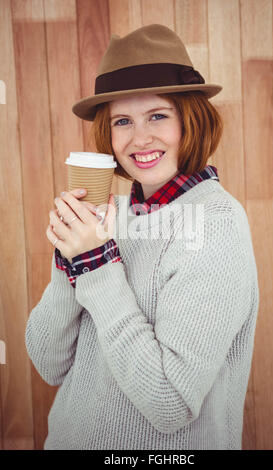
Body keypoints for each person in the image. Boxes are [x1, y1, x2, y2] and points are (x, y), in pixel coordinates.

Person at [25, 24, 259, 450]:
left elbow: (170, 403)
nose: (140, 138)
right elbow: (49, 364)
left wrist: (96, 264)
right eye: (123, 121)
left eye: (158, 115)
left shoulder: (217, 223)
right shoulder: (110, 216)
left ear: (191, 119)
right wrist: (70, 258)